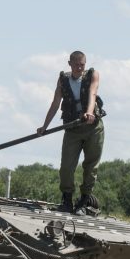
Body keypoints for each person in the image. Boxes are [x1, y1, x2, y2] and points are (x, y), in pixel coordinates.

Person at [37, 50, 105, 214]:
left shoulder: (92, 75)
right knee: (66, 167)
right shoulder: (63, 79)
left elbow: (92, 93)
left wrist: (89, 112)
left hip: (93, 128)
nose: (80, 68)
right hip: (72, 129)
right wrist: (44, 126)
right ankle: (66, 200)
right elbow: (55, 103)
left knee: (91, 166)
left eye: (82, 64)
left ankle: (83, 201)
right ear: (69, 64)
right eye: (76, 64)